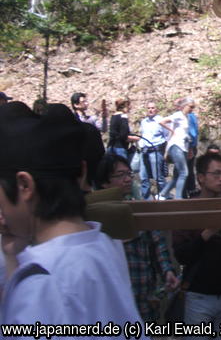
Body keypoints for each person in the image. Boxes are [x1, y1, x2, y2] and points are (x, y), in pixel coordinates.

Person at [0, 101, 147, 330]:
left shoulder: (40, 282)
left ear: (24, 185)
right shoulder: (105, 245)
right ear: (81, 174)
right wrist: (12, 256)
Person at [172, 152, 221, 338]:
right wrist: (208, 232)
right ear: (200, 177)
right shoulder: (187, 211)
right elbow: (182, 255)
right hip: (198, 297)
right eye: (216, 174)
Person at [95, 153, 179, 322]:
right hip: (112, 304)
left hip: (144, 300)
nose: (127, 179)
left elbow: (158, 243)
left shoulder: (138, 207)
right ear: (104, 182)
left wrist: (167, 271)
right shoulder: (95, 217)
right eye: (120, 175)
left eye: (129, 174)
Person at [158, 98, 194, 199]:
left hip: (183, 147)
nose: (192, 109)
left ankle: (162, 194)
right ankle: (178, 199)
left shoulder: (186, 117)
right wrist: (171, 131)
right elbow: (162, 122)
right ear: (184, 106)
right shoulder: (178, 115)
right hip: (176, 146)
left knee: (178, 175)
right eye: (190, 107)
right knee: (184, 172)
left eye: (193, 107)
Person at [138, 101, 168, 200]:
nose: (150, 110)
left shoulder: (161, 121)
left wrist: (165, 151)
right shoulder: (144, 122)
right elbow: (142, 136)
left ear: (156, 109)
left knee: (158, 177)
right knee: (143, 176)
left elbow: (166, 136)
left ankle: (164, 195)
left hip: (156, 151)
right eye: (148, 108)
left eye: (152, 108)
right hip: (144, 151)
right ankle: (145, 199)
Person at [184, 100, 199, 197]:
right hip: (185, 147)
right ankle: (187, 192)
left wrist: (191, 148)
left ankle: (189, 193)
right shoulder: (183, 116)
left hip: (189, 147)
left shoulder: (190, 116)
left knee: (186, 172)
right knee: (187, 172)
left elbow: (193, 133)